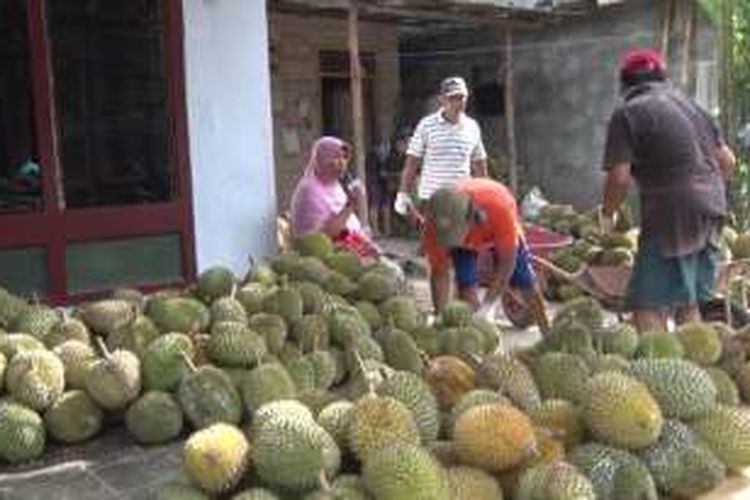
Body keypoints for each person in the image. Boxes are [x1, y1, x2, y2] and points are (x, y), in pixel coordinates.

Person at [599, 48, 736, 332]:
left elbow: (620, 177)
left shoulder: (627, 113)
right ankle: (695, 370)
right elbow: (728, 161)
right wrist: (706, 192)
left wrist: (607, 214)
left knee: (646, 303)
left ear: (624, 84)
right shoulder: (691, 105)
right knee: (689, 302)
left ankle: (656, 373)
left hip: (671, 216)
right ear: (662, 77)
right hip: (712, 210)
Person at [393, 76, 489, 307]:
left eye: (462, 97)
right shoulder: (427, 126)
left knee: (465, 260)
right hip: (433, 202)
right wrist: (403, 194)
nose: (459, 102)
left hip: (463, 202)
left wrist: (485, 195)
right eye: (454, 98)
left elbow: (479, 165)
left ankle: (464, 311)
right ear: (443, 99)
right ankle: (441, 313)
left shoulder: (472, 127)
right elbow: (412, 163)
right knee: (439, 262)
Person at [422, 177, 549, 332]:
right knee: (465, 282)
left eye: (456, 235)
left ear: (471, 219)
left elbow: (506, 264)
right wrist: (440, 316)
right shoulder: (434, 227)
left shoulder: (499, 211)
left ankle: (547, 332)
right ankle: (476, 332)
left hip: (499, 214)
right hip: (467, 230)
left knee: (524, 279)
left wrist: (488, 305)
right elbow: (439, 272)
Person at [290, 136, 379, 258]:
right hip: (319, 258)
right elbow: (323, 237)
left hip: (342, 249)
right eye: (336, 157)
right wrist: (351, 204)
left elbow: (346, 224)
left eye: (344, 157)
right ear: (322, 159)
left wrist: (362, 237)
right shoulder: (310, 190)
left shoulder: (335, 186)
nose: (342, 162)